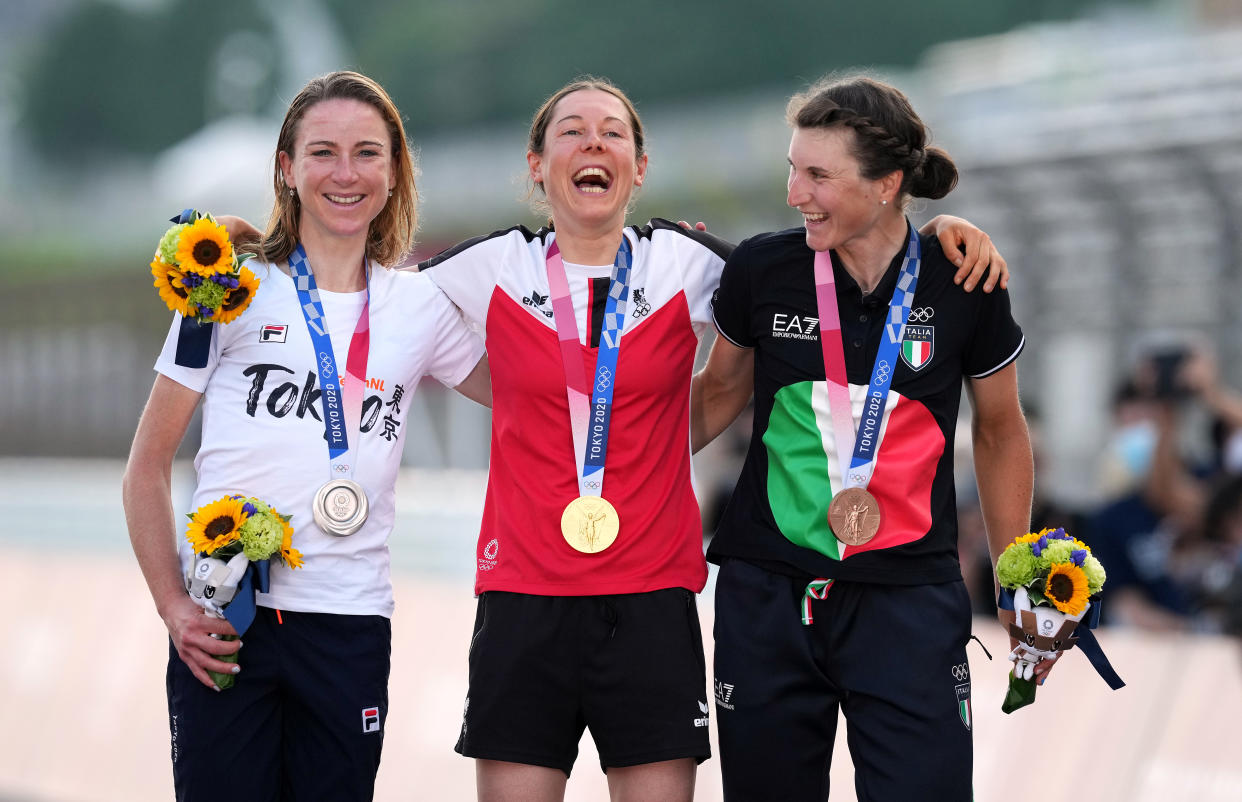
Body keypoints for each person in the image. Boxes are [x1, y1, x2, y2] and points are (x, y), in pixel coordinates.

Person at [416, 76, 1008, 802]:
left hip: (707, 596)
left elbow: (991, 417)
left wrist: (952, 228)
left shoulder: (705, 262)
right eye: (570, 130)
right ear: (536, 162)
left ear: (641, 166)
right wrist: (264, 257)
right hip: (580, 594)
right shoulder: (496, 265)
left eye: (613, 131)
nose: (797, 192)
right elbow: (363, 298)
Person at [122, 70, 488, 801]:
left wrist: (661, 306)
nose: (344, 173)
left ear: (394, 172)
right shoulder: (226, 287)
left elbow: (536, 402)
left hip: (348, 624)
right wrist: (173, 607)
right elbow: (145, 469)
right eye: (322, 152)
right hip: (228, 620)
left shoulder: (421, 307)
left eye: (366, 153)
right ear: (287, 169)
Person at [692, 74, 1036, 800]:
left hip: (907, 601)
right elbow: (716, 394)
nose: (795, 192)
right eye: (793, 168)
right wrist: (611, 469)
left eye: (818, 175)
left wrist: (1014, 573)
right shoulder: (763, 269)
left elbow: (1001, 430)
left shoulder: (963, 278)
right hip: (767, 595)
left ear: (886, 186)